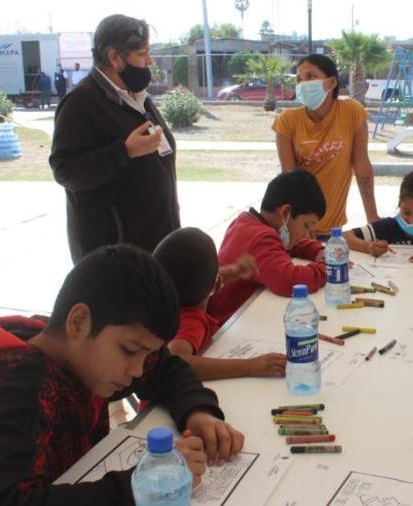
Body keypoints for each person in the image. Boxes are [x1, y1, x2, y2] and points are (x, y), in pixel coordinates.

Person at [0, 244, 245, 505]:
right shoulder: (14, 391)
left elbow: (166, 368)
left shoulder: (83, 356)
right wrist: (139, 485)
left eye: (145, 355)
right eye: (129, 350)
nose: (138, 370)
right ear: (79, 321)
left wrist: (199, 413)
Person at [50, 15, 177, 263]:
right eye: (142, 54)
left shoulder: (139, 99)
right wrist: (124, 152)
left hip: (156, 247)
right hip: (116, 260)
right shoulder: (81, 103)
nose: (149, 61)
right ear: (114, 57)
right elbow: (65, 171)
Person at [154, 227, 287, 379]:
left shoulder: (166, 301)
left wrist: (235, 271)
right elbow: (175, 360)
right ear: (214, 285)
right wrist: (249, 366)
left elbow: (203, 282)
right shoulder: (192, 321)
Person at [273, 53, 379, 238]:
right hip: (300, 230)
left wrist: (372, 217)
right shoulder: (287, 121)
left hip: (333, 230)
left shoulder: (352, 112)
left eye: (311, 77)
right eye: (299, 79)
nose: (303, 84)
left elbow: (362, 166)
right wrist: (301, 229)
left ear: (331, 83)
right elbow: (289, 181)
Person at [208, 170, 327, 325]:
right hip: (225, 328)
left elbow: (287, 245)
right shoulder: (261, 238)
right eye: (306, 226)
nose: (306, 235)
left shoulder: (247, 222)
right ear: (285, 213)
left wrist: (317, 250)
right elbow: (290, 280)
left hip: (239, 319)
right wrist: (328, 268)